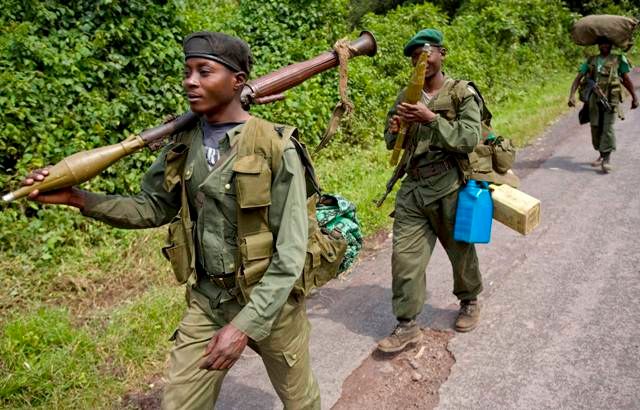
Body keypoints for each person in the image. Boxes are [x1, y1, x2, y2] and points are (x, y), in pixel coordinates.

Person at [22, 32, 320, 409]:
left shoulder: (275, 146)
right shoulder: (183, 142)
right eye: (188, 72)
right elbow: (151, 207)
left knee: (300, 401)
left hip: (272, 304)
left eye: (204, 71)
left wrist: (244, 327)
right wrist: (79, 198)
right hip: (209, 300)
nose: (190, 81)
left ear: (238, 82)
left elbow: (291, 253)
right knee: (179, 403)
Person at [377, 28, 484, 353]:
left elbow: (469, 139)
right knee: (405, 259)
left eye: (425, 52)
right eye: (414, 56)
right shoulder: (406, 95)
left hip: (450, 185)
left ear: (441, 53)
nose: (420, 59)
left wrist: (431, 119)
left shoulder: (461, 92)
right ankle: (407, 324)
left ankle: (469, 301)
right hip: (413, 188)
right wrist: (395, 130)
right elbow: (390, 141)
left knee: (460, 251)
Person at [568, 36, 638, 173]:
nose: (605, 46)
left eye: (607, 43)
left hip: (611, 100)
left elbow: (626, 80)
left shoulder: (618, 60)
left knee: (608, 128)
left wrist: (634, 97)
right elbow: (578, 78)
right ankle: (601, 153)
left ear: (611, 45)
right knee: (596, 128)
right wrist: (571, 96)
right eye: (602, 43)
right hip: (594, 101)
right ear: (598, 45)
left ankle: (606, 159)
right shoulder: (591, 61)